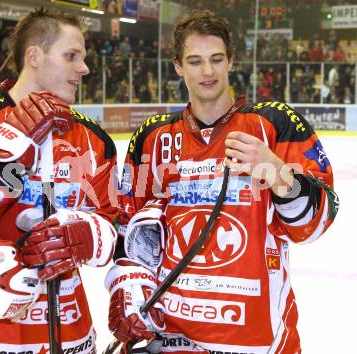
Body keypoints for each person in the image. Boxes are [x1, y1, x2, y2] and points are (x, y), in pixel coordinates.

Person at [105, 9, 338, 354]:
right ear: (178, 66)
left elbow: (316, 224)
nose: (208, 71)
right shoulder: (152, 137)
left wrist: (276, 171)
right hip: (170, 336)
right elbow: (128, 230)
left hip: (256, 339)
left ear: (230, 61)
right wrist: (125, 288)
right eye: (195, 61)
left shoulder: (274, 124)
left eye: (216, 59)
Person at [0, 8, 118, 354]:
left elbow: (113, 226)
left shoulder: (94, 139)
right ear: (35, 56)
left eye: (83, 57)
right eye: (71, 56)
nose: (84, 68)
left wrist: (92, 234)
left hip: (69, 335)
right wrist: (12, 149)